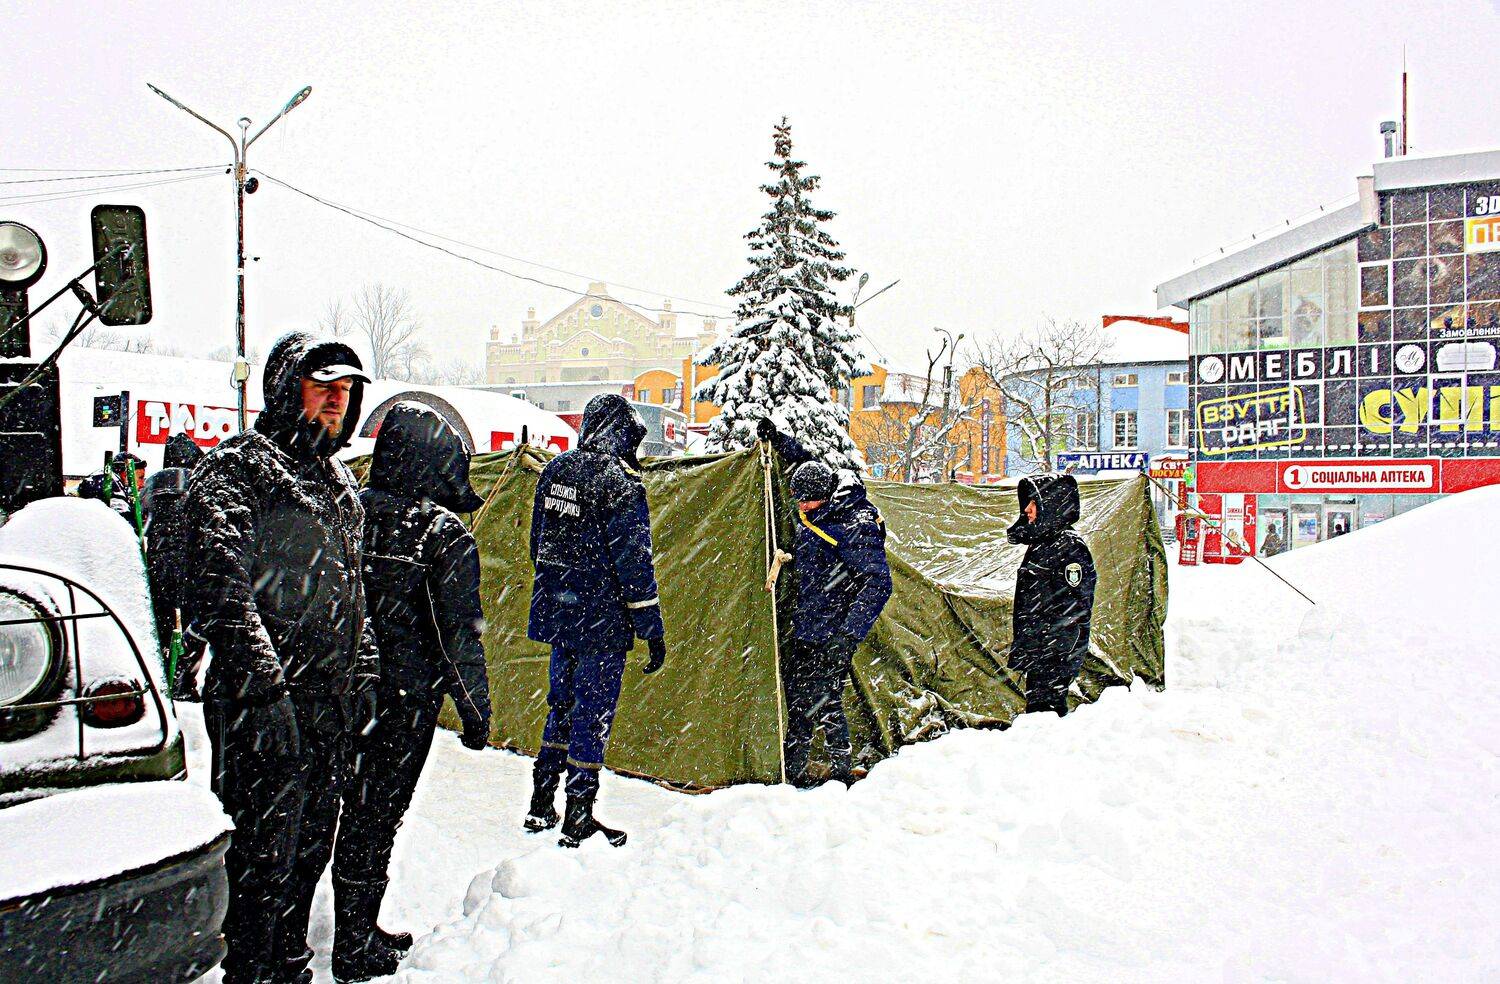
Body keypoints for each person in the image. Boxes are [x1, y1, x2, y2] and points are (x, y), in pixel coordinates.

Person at [182, 331, 380, 984]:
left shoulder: (338, 483)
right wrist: (266, 693)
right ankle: (252, 970)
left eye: (345, 392)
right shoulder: (240, 468)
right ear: (286, 389)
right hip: (260, 707)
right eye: (322, 388)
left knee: (309, 849)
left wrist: (365, 674)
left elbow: (353, 590)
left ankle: (289, 961)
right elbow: (220, 587)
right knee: (260, 858)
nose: (336, 402)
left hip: (328, 707)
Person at [330, 402, 492, 982]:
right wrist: (475, 709)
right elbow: (458, 637)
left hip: (335, 693)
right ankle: (354, 944)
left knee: (327, 814)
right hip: (403, 703)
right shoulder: (440, 535)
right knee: (375, 817)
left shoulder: (345, 512)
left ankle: (323, 932)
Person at [525, 394, 666, 848]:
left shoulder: (555, 471)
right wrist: (650, 627)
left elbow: (537, 544)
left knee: (561, 705)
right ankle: (578, 815)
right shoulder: (620, 483)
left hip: (558, 613)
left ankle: (541, 802)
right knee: (592, 715)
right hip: (601, 621)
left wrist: (561, 588)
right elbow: (634, 563)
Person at [759, 418, 893, 788]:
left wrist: (847, 636)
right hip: (808, 625)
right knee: (801, 702)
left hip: (832, 632)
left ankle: (839, 773)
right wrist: (778, 439)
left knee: (827, 702)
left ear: (824, 495)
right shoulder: (822, 496)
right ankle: (796, 771)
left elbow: (879, 583)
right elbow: (805, 461)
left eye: (806, 500)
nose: (800, 506)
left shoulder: (853, 524)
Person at [1006, 473, 1097, 716]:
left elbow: (1075, 609)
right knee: (1039, 716)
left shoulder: (1069, 547)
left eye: (1033, 502)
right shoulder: (1044, 544)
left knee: (1046, 717)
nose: (1027, 509)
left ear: (1051, 503)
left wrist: (1054, 655)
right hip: (1040, 654)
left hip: (1053, 657)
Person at [143, 433, 207, 698]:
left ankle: (160, 676)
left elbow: (142, 520)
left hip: (158, 562)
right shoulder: (200, 482)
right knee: (194, 624)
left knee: (161, 622)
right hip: (191, 562)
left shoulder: (152, 484)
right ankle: (183, 680)